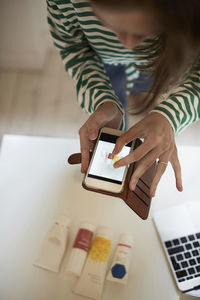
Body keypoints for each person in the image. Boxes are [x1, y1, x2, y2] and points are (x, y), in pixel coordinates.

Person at [46, 0, 200, 197]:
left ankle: (138, 95)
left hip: (161, 60)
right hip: (105, 61)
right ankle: (129, 99)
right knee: (118, 106)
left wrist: (170, 116)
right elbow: (74, 49)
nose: (127, 45)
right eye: (107, 24)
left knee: (146, 85)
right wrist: (104, 99)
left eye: (142, 34)